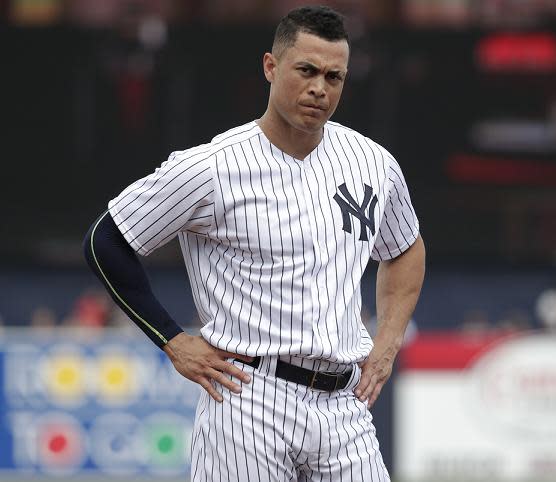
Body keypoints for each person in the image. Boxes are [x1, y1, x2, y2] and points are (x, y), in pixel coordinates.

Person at [83, 6, 424, 481]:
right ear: (271, 66)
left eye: (334, 76)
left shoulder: (373, 163)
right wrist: (173, 341)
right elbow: (107, 241)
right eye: (306, 70)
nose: (319, 88)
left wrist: (387, 343)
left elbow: (405, 247)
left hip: (343, 404)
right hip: (248, 396)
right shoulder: (210, 167)